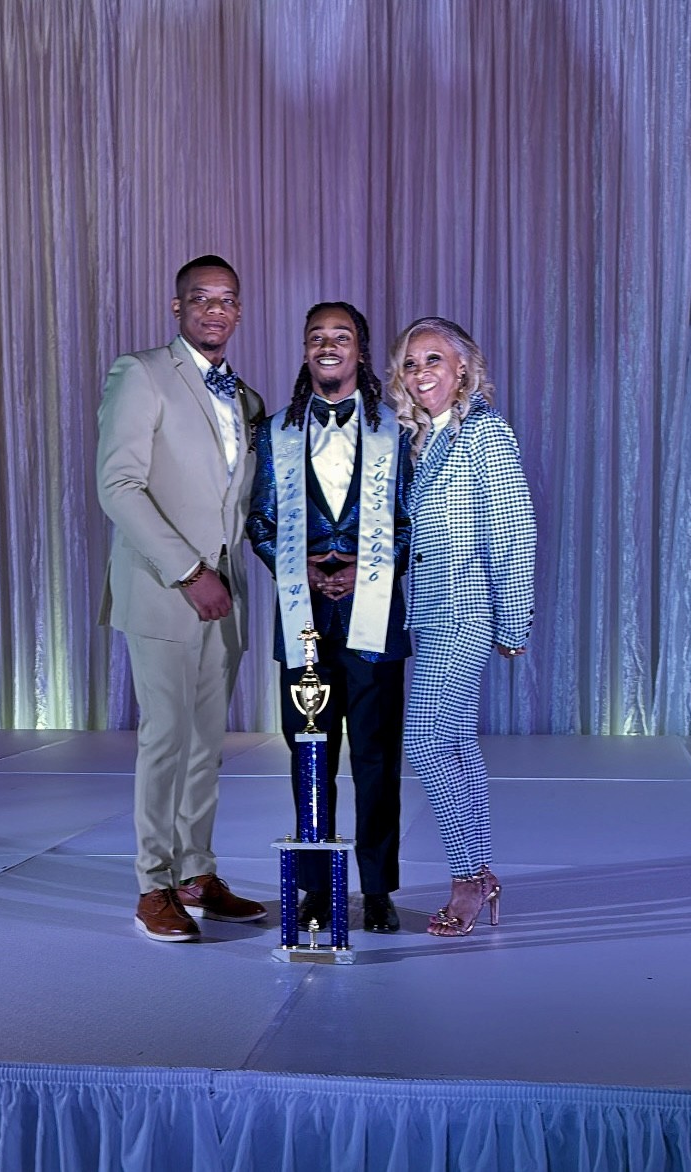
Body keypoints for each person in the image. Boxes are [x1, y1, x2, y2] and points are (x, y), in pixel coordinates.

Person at [96, 255, 268, 942]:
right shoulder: (139, 374)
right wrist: (187, 572)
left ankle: (196, 872)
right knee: (165, 740)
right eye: (201, 299)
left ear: (239, 311)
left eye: (227, 300)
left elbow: (245, 505)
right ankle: (152, 884)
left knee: (206, 745)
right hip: (167, 592)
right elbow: (118, 487)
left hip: (225, 601)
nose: (215, 310)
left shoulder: (246, 399)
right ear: (177, 307)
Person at [248, 303, 413, 933]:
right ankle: (316, 886)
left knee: (375, 758)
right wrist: (306, 571)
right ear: (304, 348)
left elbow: (408, 520)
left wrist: (366, 570)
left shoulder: (397, 430)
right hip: (304, 619)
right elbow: (260, 521)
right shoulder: (275, 432)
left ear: (361, 352)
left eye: (341, 337)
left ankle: (376, 889)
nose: (327, 345)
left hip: (375, 618)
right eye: (316, 336)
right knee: (308, 753)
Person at [386, 316, 536, 937]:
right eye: (412, 363)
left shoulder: (484, 433)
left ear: (464, 370)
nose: (422, 374)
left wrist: (514, 620)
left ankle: (468, 878)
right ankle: (478, 871)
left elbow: (514, 530)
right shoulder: (422, 440)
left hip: (466, 611)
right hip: (430, 611)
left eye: (435, 361)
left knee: (425, 742)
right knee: (455, 745)